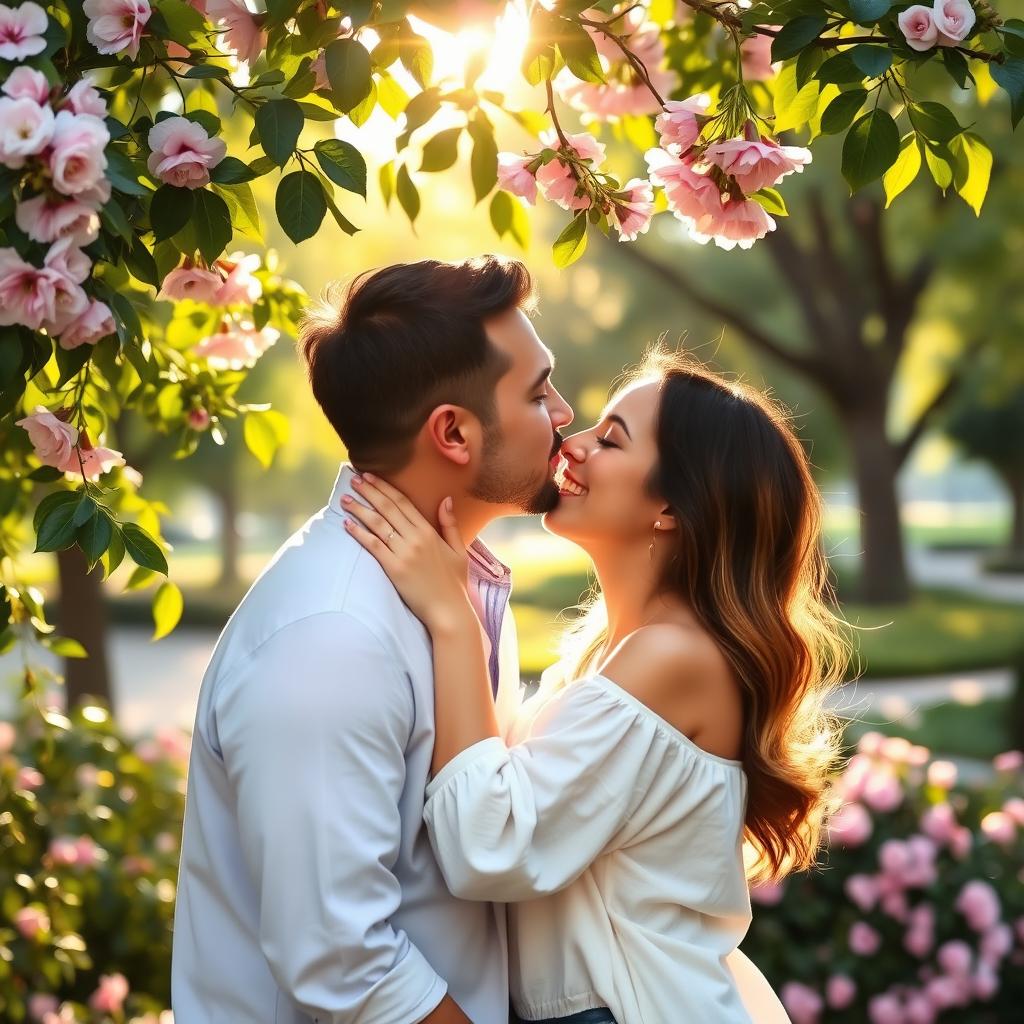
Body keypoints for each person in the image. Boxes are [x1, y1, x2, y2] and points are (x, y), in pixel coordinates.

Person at [344, 347, 849, 1024]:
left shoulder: (673, 658)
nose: (570, 445)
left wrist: (453, 621)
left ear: (671, 505)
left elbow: (490, 846)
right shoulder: (611, 651)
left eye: (610, 439)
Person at [171, 256, 573, 1023]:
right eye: (537, 390)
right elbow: (343, 964)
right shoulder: (331, 639)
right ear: (452, 432)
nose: (564, 409)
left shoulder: (455, 587)